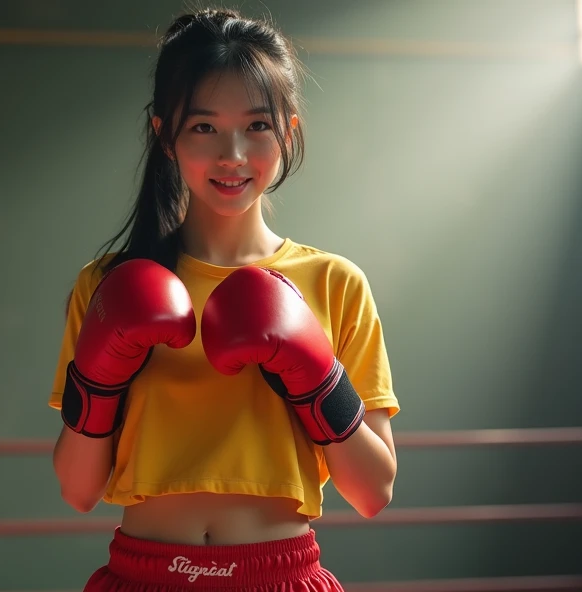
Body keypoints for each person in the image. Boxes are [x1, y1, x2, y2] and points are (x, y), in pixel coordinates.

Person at [49, 8, 400, 591]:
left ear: (288, 131)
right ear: (165, 136)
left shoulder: (335, 282)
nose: (232, 154)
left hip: (280, 576)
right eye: (204, 127)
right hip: (145, 575)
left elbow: (373, 491)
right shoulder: (111, 285)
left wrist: (317, 378)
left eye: (257, 126)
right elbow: (78, 490)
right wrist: (99, 376)